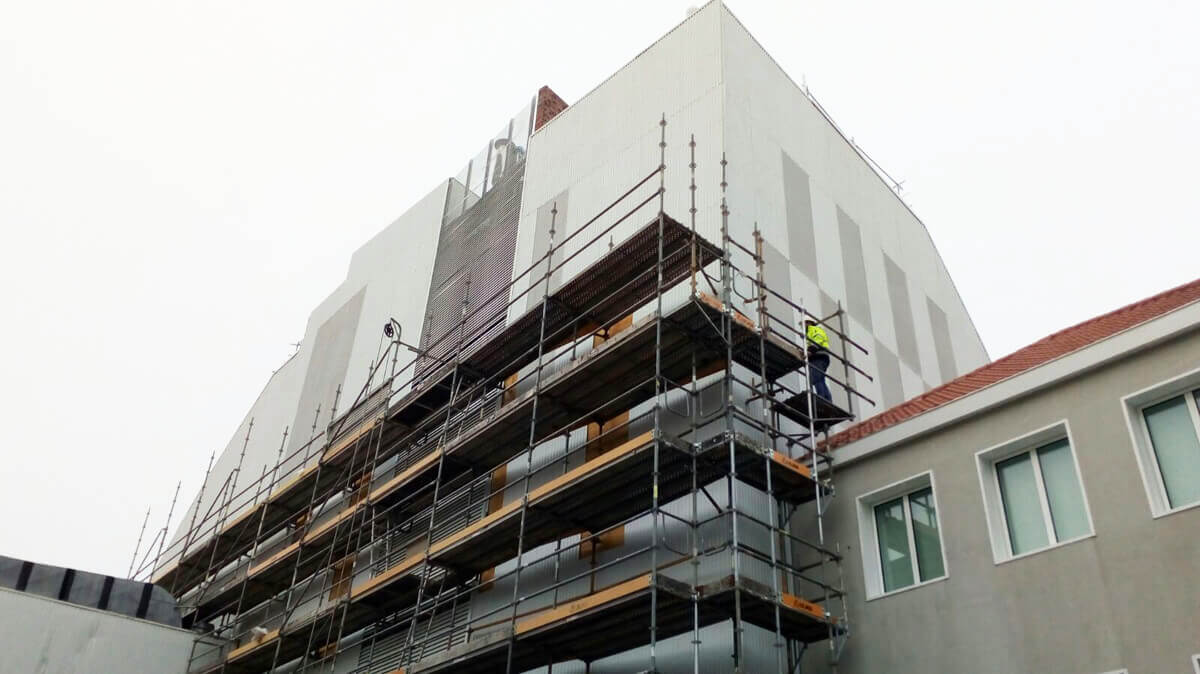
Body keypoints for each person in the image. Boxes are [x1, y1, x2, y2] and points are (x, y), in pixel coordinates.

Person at [805, 320, 832, 400]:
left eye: (804, 323)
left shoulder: (813, 329)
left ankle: (822, 398)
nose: (803, 326)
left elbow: (818, 339)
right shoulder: (809, 332)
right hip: (819, 357)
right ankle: (827, 399)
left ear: (809, 323)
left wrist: (811, 350)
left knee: (816, 378)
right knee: (820, 379)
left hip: (818, 356)